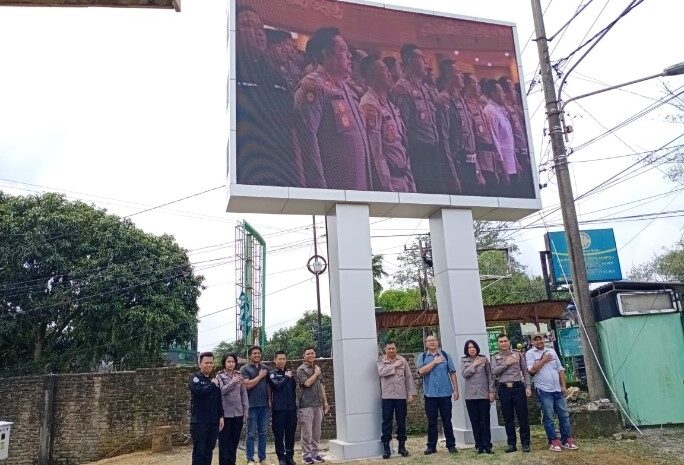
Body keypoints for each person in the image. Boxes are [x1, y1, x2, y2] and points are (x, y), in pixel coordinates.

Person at [293, 27, 372, 190]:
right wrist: (319, 188)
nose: (350, 56)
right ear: (325, 53)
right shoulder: (313, 86)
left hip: (358, 185)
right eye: (343, 50)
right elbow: (307, 139)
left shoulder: (348, 89)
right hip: (334, 189)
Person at [234, 6, 297, 187]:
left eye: (261, 28)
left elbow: (292, 131)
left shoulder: (275, 76)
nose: (259, 34)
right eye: (248, 25)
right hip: (248, 173)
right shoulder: (231, 74)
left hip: (283, 172)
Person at [391, 44, 459, 194]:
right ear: (409, 60)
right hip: (419, 153)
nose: (425, 61)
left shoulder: (426, 88)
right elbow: (403, 128)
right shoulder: (402, 89)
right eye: (421, 57)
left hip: (435, 150)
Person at [359, 55, 415, 192]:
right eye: (383, 70)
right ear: (371, 76)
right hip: (390, 181)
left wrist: (410, 180)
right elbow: (376, 152)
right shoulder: (370, 105)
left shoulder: (391, 106)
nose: (389, 74)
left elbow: (401, 145)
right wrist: (385, 187)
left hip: (403, 178)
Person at [526, 332, 579, 451]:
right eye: (536, 339)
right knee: (549, 416)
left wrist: (563, 386)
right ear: (532, 342)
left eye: (541, 339)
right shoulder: (530, 354)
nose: (539, 341)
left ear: (544, 340)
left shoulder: (552, 351)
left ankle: (566, 439)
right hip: (543, 389)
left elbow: (560, 369)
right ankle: (553, 441)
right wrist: (544, 360)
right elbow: (532, 370)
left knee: (564, 415)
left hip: (557, 389)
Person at [438, 60, 484, 194]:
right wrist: (452, 175)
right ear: (448, 77)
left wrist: (478, 170)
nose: (461, 76)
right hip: (459, 164)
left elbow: (470, 139)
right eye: (457, 73)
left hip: (471, 163)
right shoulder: (444, 100)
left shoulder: (461, 100)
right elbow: (444, 140)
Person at [416, 335, 459, 455]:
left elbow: (452, 373)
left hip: (445, 393)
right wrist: (434, 362)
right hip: (430, 394)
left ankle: (451, 445)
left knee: (447, 420)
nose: (432, 342)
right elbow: (421, 372)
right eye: (429, 341)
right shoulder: (422, 356)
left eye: (433, 340)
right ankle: (431, 446)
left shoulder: (445, 355)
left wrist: (456, 390)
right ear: (426, 343)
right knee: (432, 422)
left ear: (437, 342)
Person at [462, 74, 505, 192]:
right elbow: (472, 141)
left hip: (490, 162)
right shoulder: (466, 107)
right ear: (467, 86)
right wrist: (477, 169)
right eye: (474, 84)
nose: (479, 87)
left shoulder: (479, 107)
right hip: (480, 163)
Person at [491, 333, 532, 453]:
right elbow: (494, 372)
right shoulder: (495, 357)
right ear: (498, 344)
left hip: (518, 387)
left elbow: (525, 371)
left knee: (522, 416)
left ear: (509, 342)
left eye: (505, 341)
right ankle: (511, 444)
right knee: (508, 418)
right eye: (501, 342)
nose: (503, 343)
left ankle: (525, 443)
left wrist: (528, 386)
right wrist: (506, 363)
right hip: (504, 389)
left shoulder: (518, 354)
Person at [377, 340, 417, 459]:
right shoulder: (381, 360)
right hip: (387, 397)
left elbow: (409, 377)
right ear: (385, 350)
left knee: (401, 422)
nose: (391, 351)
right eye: (389, 349)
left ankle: (402, 446)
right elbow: (381, 372)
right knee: (387, 422)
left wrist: (410, 394)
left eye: (393, 348)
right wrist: (394, 366)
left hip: (400, 396)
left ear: (396, 349)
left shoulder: (402, 360)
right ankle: (386, 448)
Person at [483, 79, 521, 191]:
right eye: (500, 91)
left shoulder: (499, 110)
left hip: (512, 164)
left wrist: (516, 162)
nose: (503, 94)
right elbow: (495, 142)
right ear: (492, 94)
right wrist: (503, 167)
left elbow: (509, 140)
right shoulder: (490, 111)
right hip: (503, 168)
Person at [189, 352, 224, 465]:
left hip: (213, 422)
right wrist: (212, 385)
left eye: (211, 363)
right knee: (199, 451)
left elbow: (219, 401)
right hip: (199, 422)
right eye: (206, 363)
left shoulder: (214, 380)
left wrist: (221, 416)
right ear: (200, 364)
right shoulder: (194, 377)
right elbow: (199, 391)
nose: (209, 365)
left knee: (209, 450)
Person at [460, 340, 494, 455]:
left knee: (485, 421)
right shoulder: (463, 360)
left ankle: (487, 445)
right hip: (471, 396)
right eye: (469, 347)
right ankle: (479, 445)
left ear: (477, 348)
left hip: (484, 395)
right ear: (467, 349)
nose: (472, 349)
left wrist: (491, 391)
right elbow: (465, 374)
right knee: (475, 422)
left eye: (473, 347)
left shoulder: (484, 359)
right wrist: (474, 364)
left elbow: (490, 376)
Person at [296, 346, 330, 464]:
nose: (310, 355)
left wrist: (325, 403)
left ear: (315, 355)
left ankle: (315, 453)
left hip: (318, 405)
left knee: (317, 431)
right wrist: (316, 373)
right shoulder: (301, 369)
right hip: (306, 405)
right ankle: (306, 455)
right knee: (307, 432)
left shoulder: (317, 368)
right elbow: (306, 383)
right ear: (304, 356)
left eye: (312, 353)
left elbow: (321, 386)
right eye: (308, 354)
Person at [216, 353, 249, 465]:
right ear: (224, 363)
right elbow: (220, 392)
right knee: (224, 442)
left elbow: (243, 393)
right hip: (225, 414)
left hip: (238, 413)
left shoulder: (239, 375)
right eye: (228, 361)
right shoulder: (219, 376)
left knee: (234, 442)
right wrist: (233, 382)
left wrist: (246, 410)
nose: (231, 364)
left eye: (233, 361)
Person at [240, 346, 270, 465]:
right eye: (254, 353)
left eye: (258, 353)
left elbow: (268, 386)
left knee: (263, 433)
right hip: (251, 406)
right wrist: (260, 376)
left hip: (264, 406)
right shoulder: (244, 369)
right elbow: (247, 385)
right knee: (251, 434)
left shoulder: (265, 368)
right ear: (250, 356)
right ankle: (250, 458)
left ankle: (262, 458)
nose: (257, 355)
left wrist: (270, 401)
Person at [269, 350, 298, 465]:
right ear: (275, 360)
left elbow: (293, 389)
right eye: (279, 359)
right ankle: (281, 458)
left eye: (284, 359)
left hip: (291, 408)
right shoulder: (272, 374)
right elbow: (276, 386)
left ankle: (290, 457)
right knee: (279, 434)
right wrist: (285, 377)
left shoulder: (290, 373)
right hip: (278, 409)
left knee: (290, 434)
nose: (282, 361)